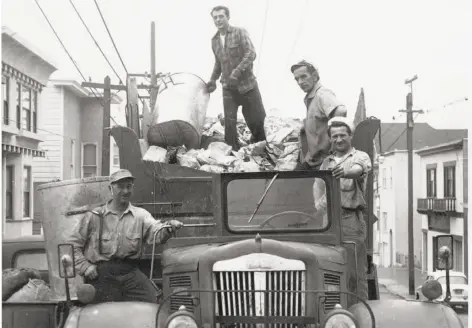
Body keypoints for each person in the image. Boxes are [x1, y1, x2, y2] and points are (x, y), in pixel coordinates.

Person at [68, 169, 183, 304]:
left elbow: (156, 233)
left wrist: (169, 227)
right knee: (99, 312)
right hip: (102, 273)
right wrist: (85, 266)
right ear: (110, 188)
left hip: (130, 272)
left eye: (129, 186)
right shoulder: (94, 216)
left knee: (156, 303)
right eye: (120, 187)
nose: (125, 191)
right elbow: (72, 245)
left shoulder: (140, 215)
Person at [312, 117, 371, 306]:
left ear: (350, 136)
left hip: (350, 221)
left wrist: (344, 173)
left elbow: (358, 170)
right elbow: (318, 185)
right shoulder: (326, 162)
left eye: (342, 135)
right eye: (334, 136)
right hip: (327, 222)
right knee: (326, 268)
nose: (338, 139)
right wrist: (318, 205)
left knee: (354, 271)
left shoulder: (360, 156)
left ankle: (360, 315)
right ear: (330, 139)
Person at [206, 5, 266, 151]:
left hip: (248, 85)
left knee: (257, 120)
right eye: (215, 17)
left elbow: (251, 54)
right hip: (228, 87)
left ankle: (260, 149)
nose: (218, 20)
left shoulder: (239, 32)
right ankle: (232, 153)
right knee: (230, 123)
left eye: (221, 16)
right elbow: (218, 63)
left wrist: (236, 73)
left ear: (228, 17)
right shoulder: (214, 40)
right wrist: (213, 79)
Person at [290, 60, 347, 170]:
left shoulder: (322, 94)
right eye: (297, 79)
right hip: (313, 160)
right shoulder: (310, 98)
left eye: (303, 77)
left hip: (324, 162)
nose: (300, 82)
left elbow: (341, 111)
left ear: (315, 76)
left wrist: (335, 149)